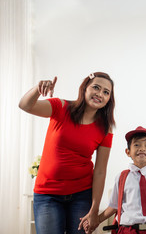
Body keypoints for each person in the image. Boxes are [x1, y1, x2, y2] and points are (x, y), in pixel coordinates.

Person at [19, 72, 115, 234]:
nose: (100, 94)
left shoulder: (105, 129)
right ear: (85, 88)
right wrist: (38, 89)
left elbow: (99, 171)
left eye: (106, 92)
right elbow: (25, 105)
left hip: (81, 195)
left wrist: (94, 209)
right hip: (47, 194)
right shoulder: (61, 107)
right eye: (96, 88)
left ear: (109, 99)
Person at [81, 126, 146, 234]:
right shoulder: (122, 177)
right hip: (128, 230)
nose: (142, 148)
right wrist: (96, 220)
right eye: (136, 145)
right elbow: (113, 206)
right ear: (128, 152)